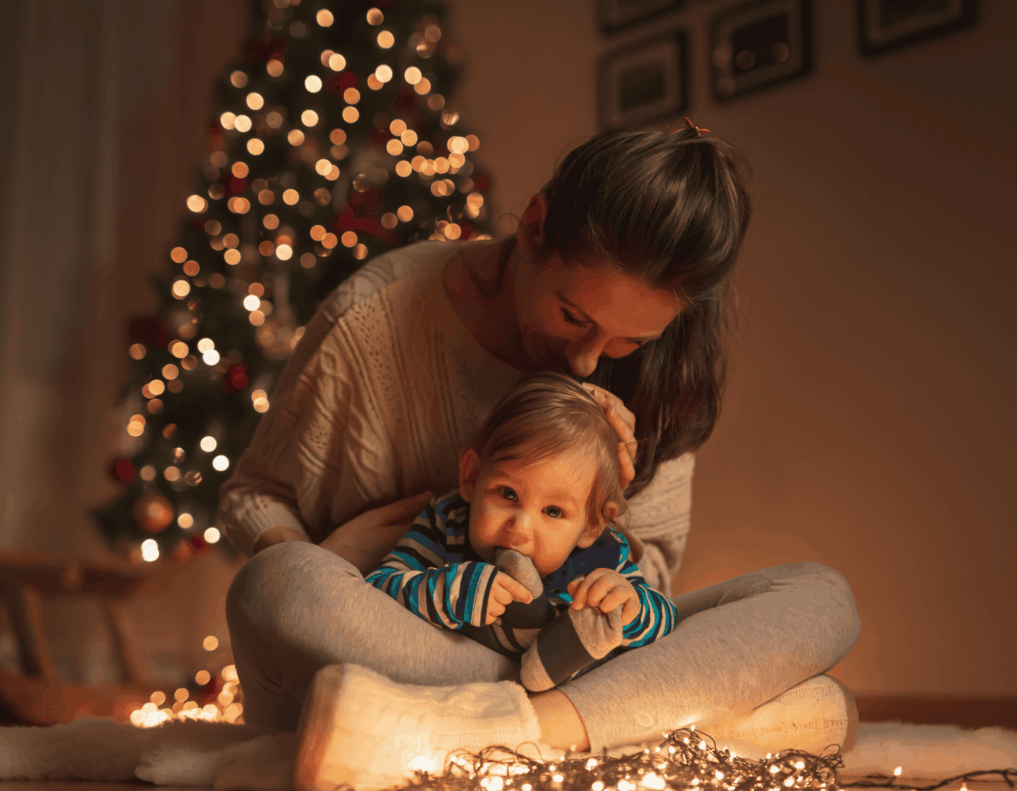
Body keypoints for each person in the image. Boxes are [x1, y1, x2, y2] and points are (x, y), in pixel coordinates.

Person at [220, 121, 861, 790]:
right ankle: (599, 728)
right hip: (403, 643)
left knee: (821, 595)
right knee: (278, 581)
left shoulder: (662, 373)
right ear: (533, 225)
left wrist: (618, 490)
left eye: (625, 342)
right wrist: (339, 556)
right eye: (572, 315)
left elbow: (649, 597)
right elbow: (252, 495)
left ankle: (487, 731)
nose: (588, 359)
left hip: (571, 655)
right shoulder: (373, 319)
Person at [365, 372, 678, 692]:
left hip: (564, 702)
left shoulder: (601, 554)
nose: (520, 529)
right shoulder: (448, 523)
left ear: (592, 525)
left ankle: (561, 653)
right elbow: (375, 589)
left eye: (553, 512)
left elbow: (666, 618)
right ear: (472, 477)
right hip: (461, 679)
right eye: (508, 494)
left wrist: (631, 606)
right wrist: (449, 591)